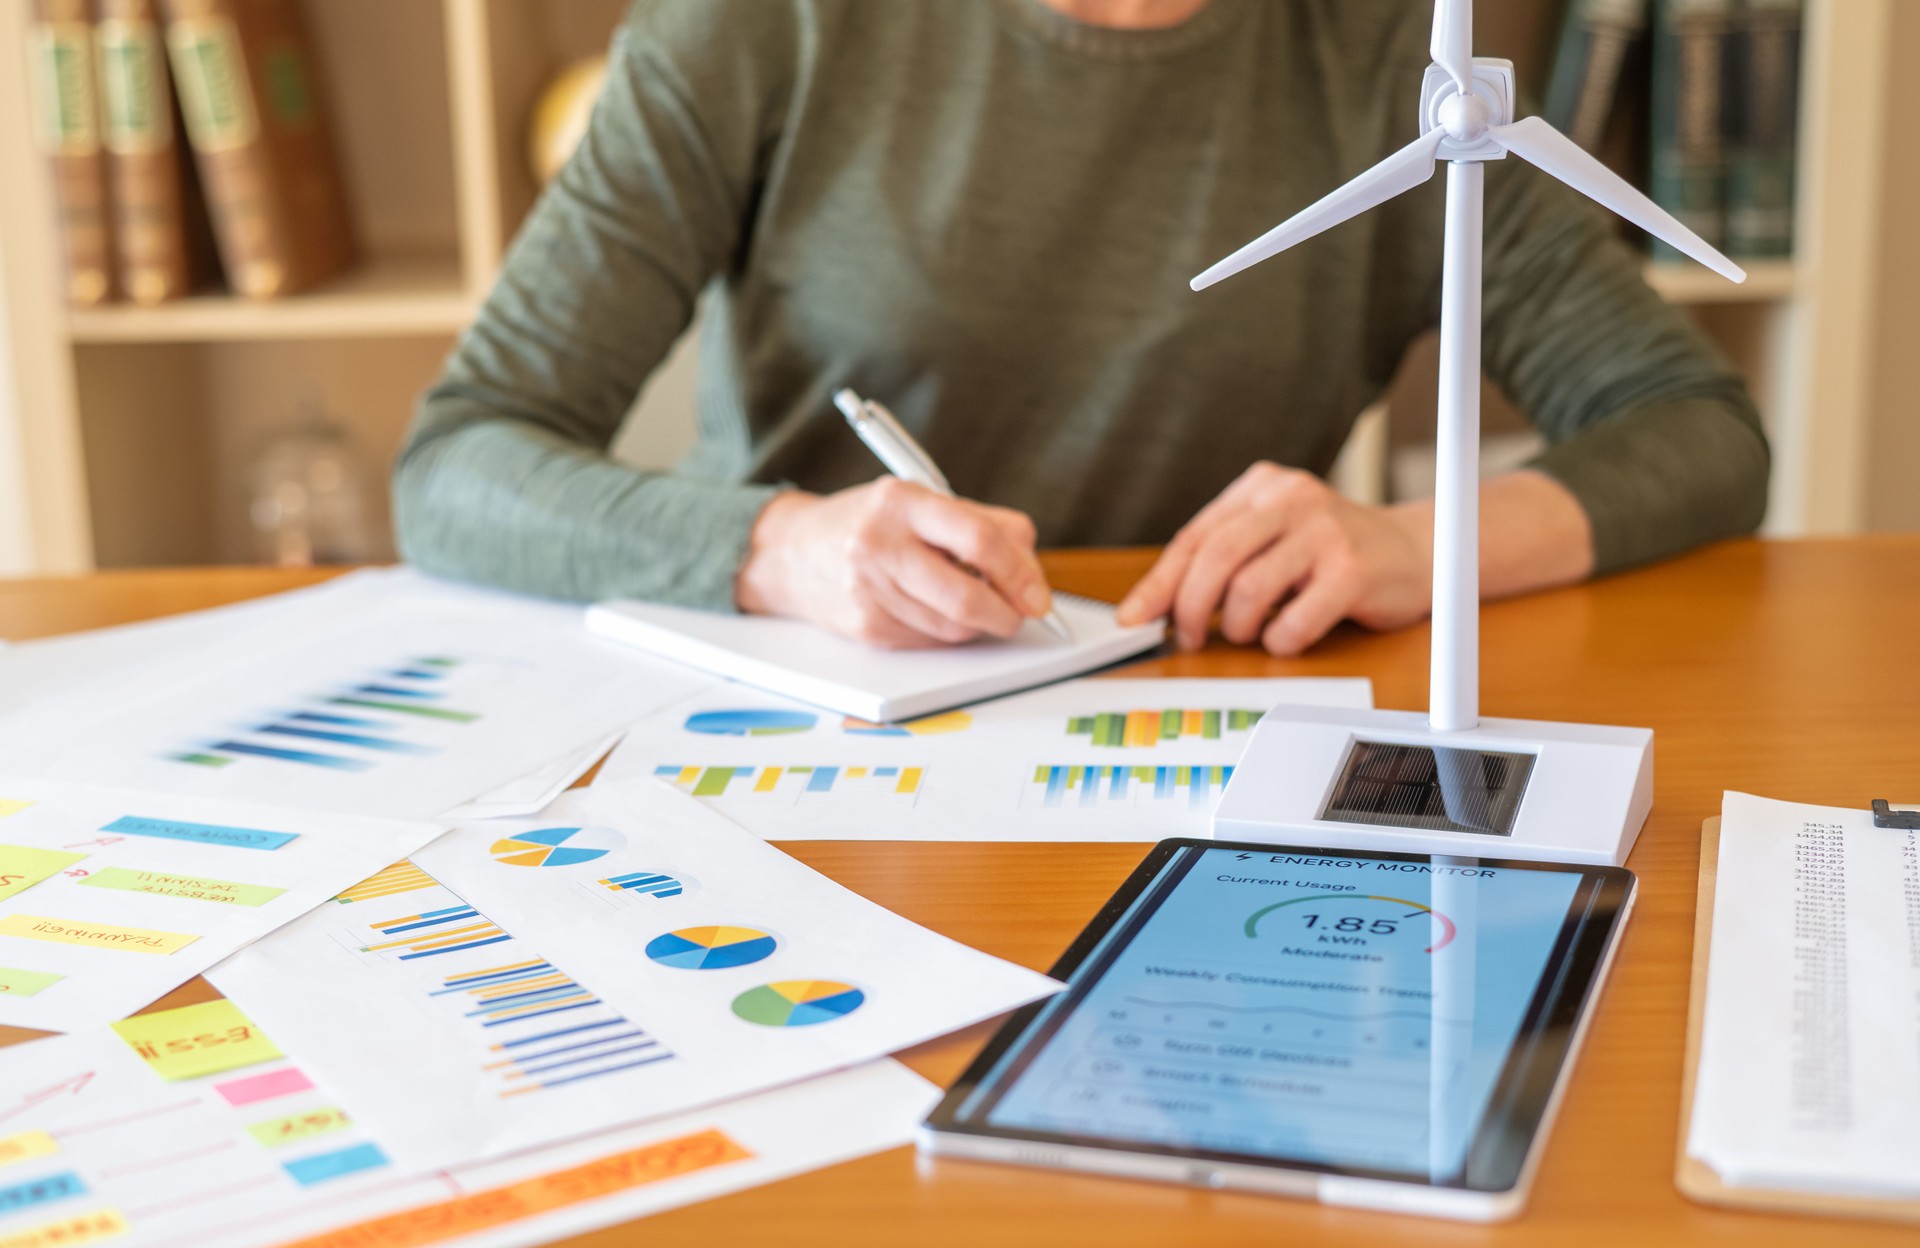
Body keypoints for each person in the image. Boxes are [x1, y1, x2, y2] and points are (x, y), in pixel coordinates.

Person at [395, 0, 1766, 655]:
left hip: (1205, 723)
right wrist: (781, 548)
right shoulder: (759, 29)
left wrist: (1417, 544)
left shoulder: (1395, 65)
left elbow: (1701, 435)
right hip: (814, 716)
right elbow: (458, 467)